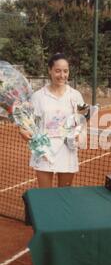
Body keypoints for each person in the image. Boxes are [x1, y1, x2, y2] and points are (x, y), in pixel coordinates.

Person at [20, 53, 85, 188]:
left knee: (64, 194)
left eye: (65, 71)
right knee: (45, 195)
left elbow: (81, 121)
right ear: (49, 70)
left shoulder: (75, 95)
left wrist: (79, 133)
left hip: (67, 150)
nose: (62, 75)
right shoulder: (38, 97)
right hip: (44, 151)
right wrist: (23, 130)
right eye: (57, 71)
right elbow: (27, 122)